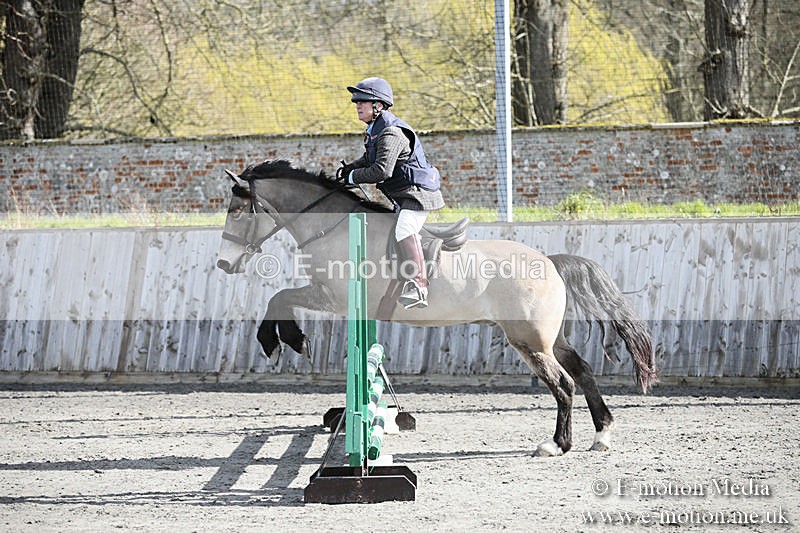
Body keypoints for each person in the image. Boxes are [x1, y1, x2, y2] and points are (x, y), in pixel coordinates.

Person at [338, 77, 444, 309]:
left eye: (363, 101)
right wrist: (350, 169)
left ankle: (419, 286)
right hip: (405, 194)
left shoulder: (391, 133)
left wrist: (353, 177)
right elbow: (369, 159)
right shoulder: (376, 130)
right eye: (356, 101)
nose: (357, 105)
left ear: (378, 105)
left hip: (418, 194)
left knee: (405, 229)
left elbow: (381, 170)